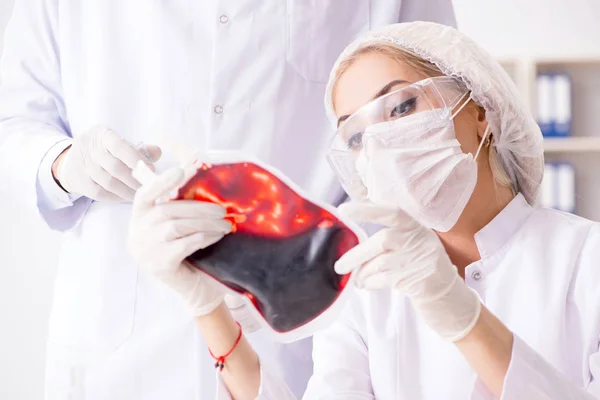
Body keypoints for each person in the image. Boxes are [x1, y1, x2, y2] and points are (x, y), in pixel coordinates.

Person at [0, 1, 457, 399]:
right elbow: (15, 116)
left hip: (302, 335)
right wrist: (64, 163)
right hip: (122, 331)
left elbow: (441, 97)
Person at [128, 22, 600, 399]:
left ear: (481, 110)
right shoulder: (370, 289)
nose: (378, 142)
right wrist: (209, 309)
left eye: (399, 107)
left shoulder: (586, 261)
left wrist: (463, 318)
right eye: (354, 136)